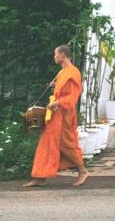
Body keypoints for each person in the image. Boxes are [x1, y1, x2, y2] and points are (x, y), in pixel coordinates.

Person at [23, 45, 90, 188]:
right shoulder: (62, 72)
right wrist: (55, 89)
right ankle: (40, 176)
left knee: (67, 143)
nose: (54, 57)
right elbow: (63, 90)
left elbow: (74, 95)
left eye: (55, 54)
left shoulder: (73, 72)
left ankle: (82, 171)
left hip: (65, 114)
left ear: (63, 55)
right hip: (55, 113)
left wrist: (59, 101)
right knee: (46, 142)